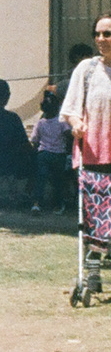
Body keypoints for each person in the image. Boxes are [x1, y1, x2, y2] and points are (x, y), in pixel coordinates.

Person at [60, 14, 111, 268]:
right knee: (95, 212)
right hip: (93, 153)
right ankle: (93, 263)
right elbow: (70, 109)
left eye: (107, 34)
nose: (101, 39)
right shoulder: (86, 69)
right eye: (97, 34)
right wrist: (76, 123)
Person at [31, 90, 73, 214]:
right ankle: (58, 203)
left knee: (41, 178)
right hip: (59, 155)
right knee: (58, 180)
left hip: (43, 154)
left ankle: (36, 203)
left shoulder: (40, 123)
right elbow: (68, 135)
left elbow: (34, 140)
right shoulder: (61, 122)